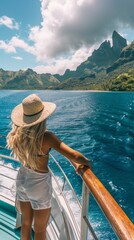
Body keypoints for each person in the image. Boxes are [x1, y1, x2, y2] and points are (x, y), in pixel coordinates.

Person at [7, 94, 91, 240]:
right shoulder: (46, 137)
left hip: (22, 178)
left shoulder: (18, 134)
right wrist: (87, 163)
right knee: (39, 230)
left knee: (26, 224)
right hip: (39, 185)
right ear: (42, 117)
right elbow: (75, 156)